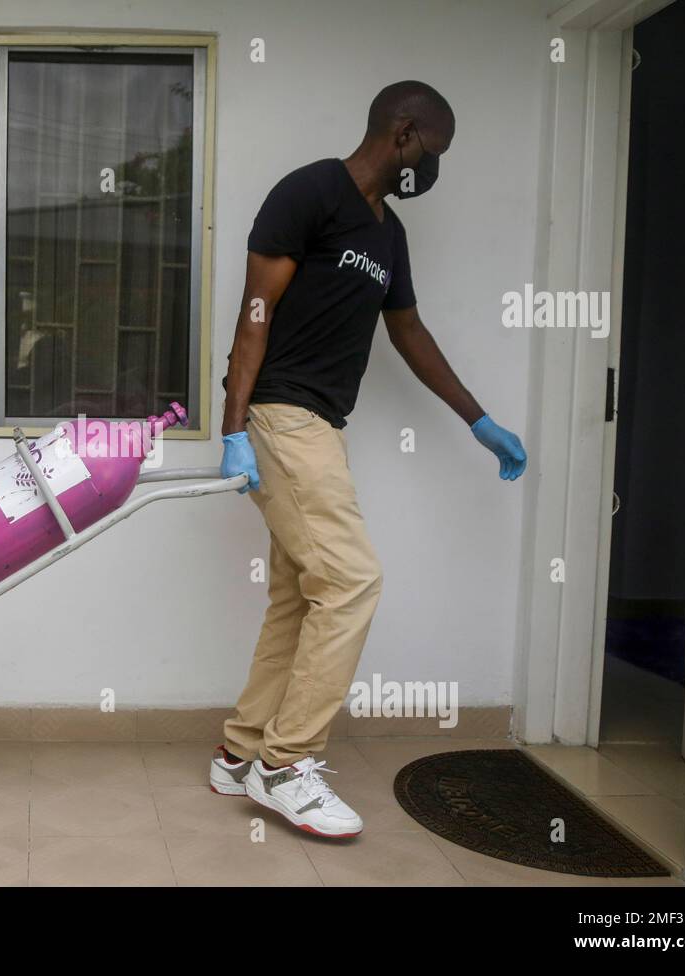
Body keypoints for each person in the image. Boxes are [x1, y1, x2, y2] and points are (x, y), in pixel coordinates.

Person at [211, 80, 527, 838]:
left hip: (322, 425)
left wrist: (478, 419)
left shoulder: (389, 234)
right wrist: (234, 428)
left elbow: (409, 333)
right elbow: (255, 314)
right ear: (405, 133)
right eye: (435, 153)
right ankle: (286, 767)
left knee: (301, 592)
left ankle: (242, 750)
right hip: (282, 415)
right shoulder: (310, 192)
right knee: (352, 582)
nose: (434, 170)